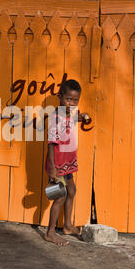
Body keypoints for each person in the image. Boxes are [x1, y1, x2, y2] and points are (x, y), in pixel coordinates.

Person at [44, 79, 90, 246]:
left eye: (75, 100)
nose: (71, 103)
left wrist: (83, 117)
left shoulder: (71, 111)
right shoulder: (55, 117)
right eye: (68, 99)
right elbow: (50, 144)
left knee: (72, 190)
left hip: (68, 162)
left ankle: (68, 225)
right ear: (60, 97)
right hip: (57, 163)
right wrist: (52, 168)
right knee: (60, 197)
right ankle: (50, 232)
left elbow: (75, 117)